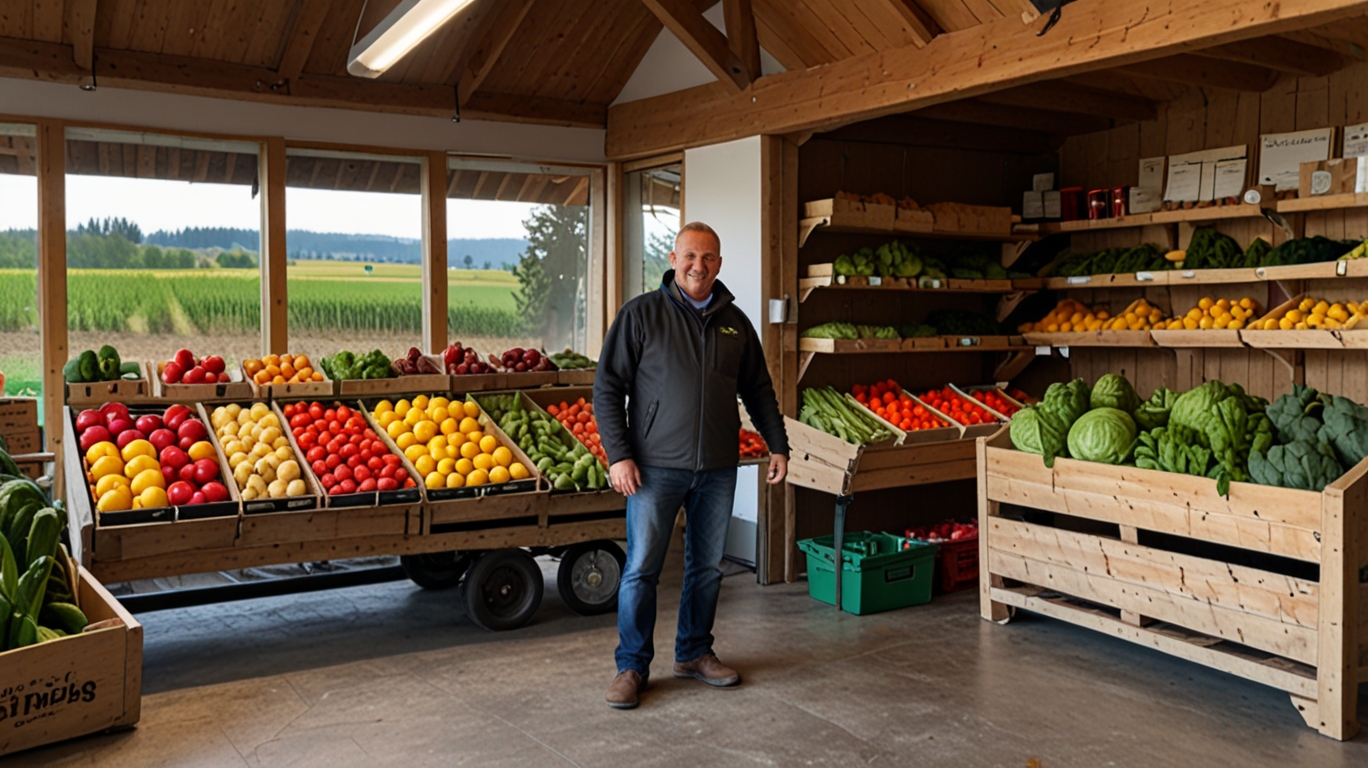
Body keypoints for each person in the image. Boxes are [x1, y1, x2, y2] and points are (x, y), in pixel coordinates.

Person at [593, 221, 789, 710]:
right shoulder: (642, 315)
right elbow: (607, 388)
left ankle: (694, 653)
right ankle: (631, 666)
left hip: (718, 468)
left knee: (706, 568)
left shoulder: (735, 323)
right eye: (690, 256)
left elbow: (759, 390)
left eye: (709, 258)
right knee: (641, 569)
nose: (699, 266)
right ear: (674, 258)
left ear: (718, 263)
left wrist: (778, 445)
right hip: (654, 468)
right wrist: (619, 455)